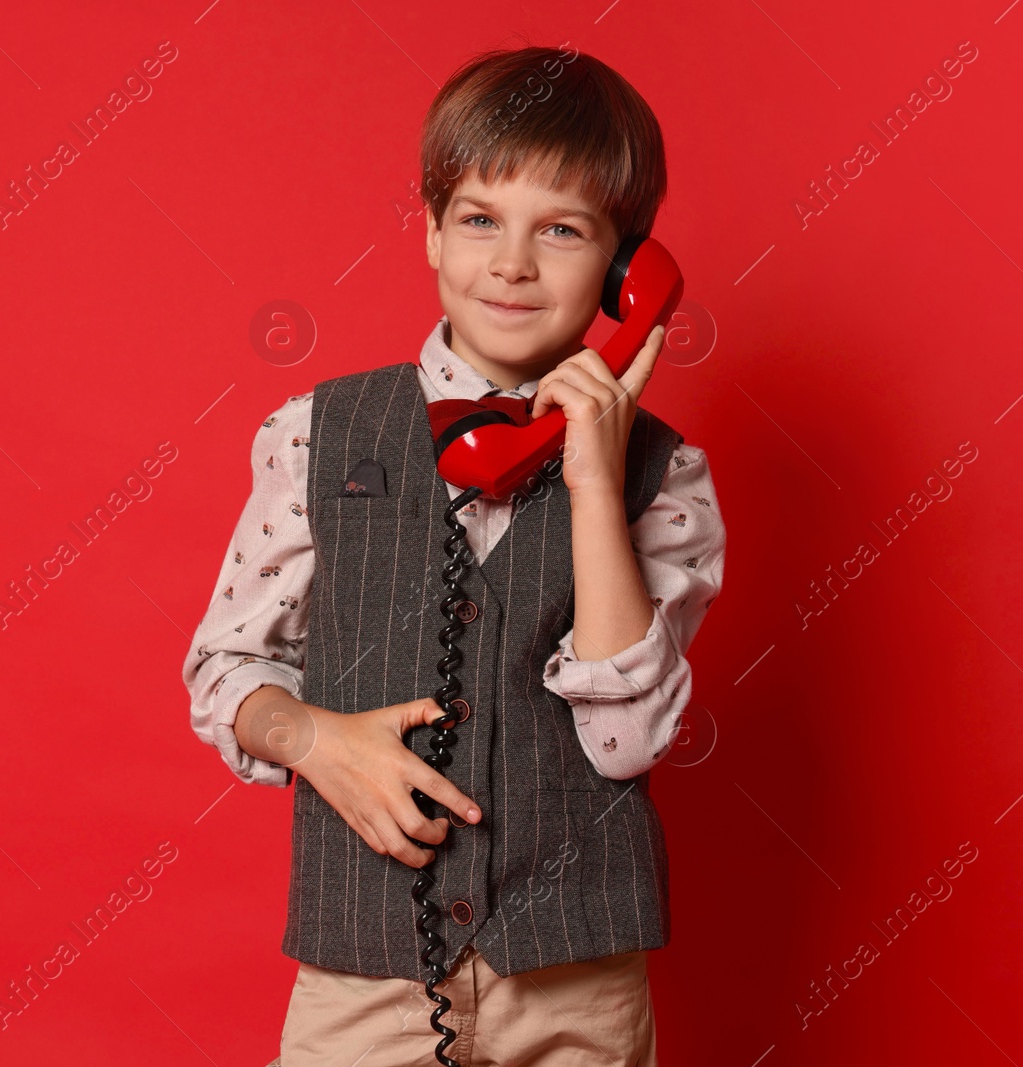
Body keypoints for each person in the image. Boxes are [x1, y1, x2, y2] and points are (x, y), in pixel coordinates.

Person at [183, 43, 726, 1066]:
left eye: (560, 232)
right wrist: (311, 739)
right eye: (480, 219)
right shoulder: (315, 433)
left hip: (576, 980)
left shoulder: (666, 477)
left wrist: (595, 482)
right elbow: (224, 665)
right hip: (364, 971)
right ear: (432, 232)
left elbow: (625, 740)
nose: (512, 264)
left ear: (626, 278)